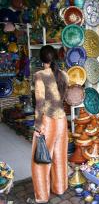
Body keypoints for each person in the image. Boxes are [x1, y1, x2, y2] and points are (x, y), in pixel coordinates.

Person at [32, 45, 69, 203]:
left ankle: (42, 196)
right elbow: (64, 99)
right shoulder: (64, 75)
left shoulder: (40, 75)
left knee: (40, 159)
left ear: (42, 60)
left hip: (47, 120)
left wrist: (38, 124)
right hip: (62, 120)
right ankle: (59, 187)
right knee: (59, 156)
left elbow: (40, 103)